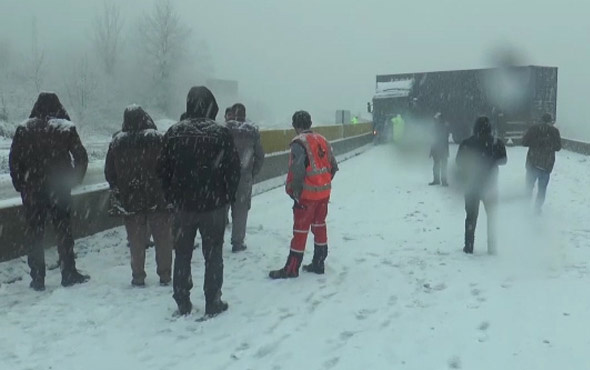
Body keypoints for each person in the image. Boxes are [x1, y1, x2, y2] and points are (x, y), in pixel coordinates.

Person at [159, 86, 241, 316]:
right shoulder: (220, 134)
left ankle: (182, 299)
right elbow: (233, 170)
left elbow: (162, 170)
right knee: (213, 253)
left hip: (183, 207)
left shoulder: (174, 133)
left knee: (182, 254)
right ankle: (213, 300)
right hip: (213, 206)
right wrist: (226, 196)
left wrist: (172, 197)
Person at [9, 92, 90, 291]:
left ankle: (38, 277)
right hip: (59, 189)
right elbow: (81, 157)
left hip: (33, 191)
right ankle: (68, 272)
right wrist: (73, 179)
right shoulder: (65, 128)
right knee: (64, 231)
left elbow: (14, 160)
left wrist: (22, 184)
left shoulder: (24, 129)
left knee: (35, 234)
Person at [105, 105, 172, 287]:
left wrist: (120, 186)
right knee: (163, 238)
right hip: (157, 197)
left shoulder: (117, 141)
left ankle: (138, 275)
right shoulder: (157, 139)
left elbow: (109, 172)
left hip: (130, 199)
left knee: (136, 241)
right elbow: (168, 167)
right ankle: (165, 274)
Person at [269, 111, 338, 279]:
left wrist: (296, 193)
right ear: (310, 123)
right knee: (319, 226)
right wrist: (322, 183)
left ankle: (292, 268)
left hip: (307, 196)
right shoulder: (323, 140)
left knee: (300, 231)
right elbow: (333, 166)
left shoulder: (298, 143)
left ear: (295, 125)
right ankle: (319, 262)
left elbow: (297, 170)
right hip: (324, 193)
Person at [456, 116, 507, 255]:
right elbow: (503, 160)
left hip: (472, 185)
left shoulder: (467, 143)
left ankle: (469, 246)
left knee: (471, 216)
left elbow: (459, 162)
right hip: (490, 184)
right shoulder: (496, 143)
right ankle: (492, 246)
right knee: (492, 217)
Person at [225, 103, 265, 252]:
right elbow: (260, 156)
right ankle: (237, 242)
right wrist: (252, 172)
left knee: (222, 206)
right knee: (241, 209)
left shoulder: (225, 129)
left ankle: (215, 238)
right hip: (244, 177)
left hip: (226, 175)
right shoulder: (252, 131)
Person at [522, 112, 562, 214]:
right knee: (542, 189)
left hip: (532, 163)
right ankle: (537, 208)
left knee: (529, 187)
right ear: (550, 121)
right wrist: (548, 144)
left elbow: (524, 142)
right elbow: (558, 147)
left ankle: (525, 207)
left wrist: (535, 142)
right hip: (546, 164)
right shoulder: (554, 132)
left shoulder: (533, 129)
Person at [429, 112, 450, 186]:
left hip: (439, 148)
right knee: (441, 165)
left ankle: (438, 180)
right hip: (441, 149)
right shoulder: (444, 126)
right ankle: (441, 181)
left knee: (438, 165)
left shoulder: (437, 127)